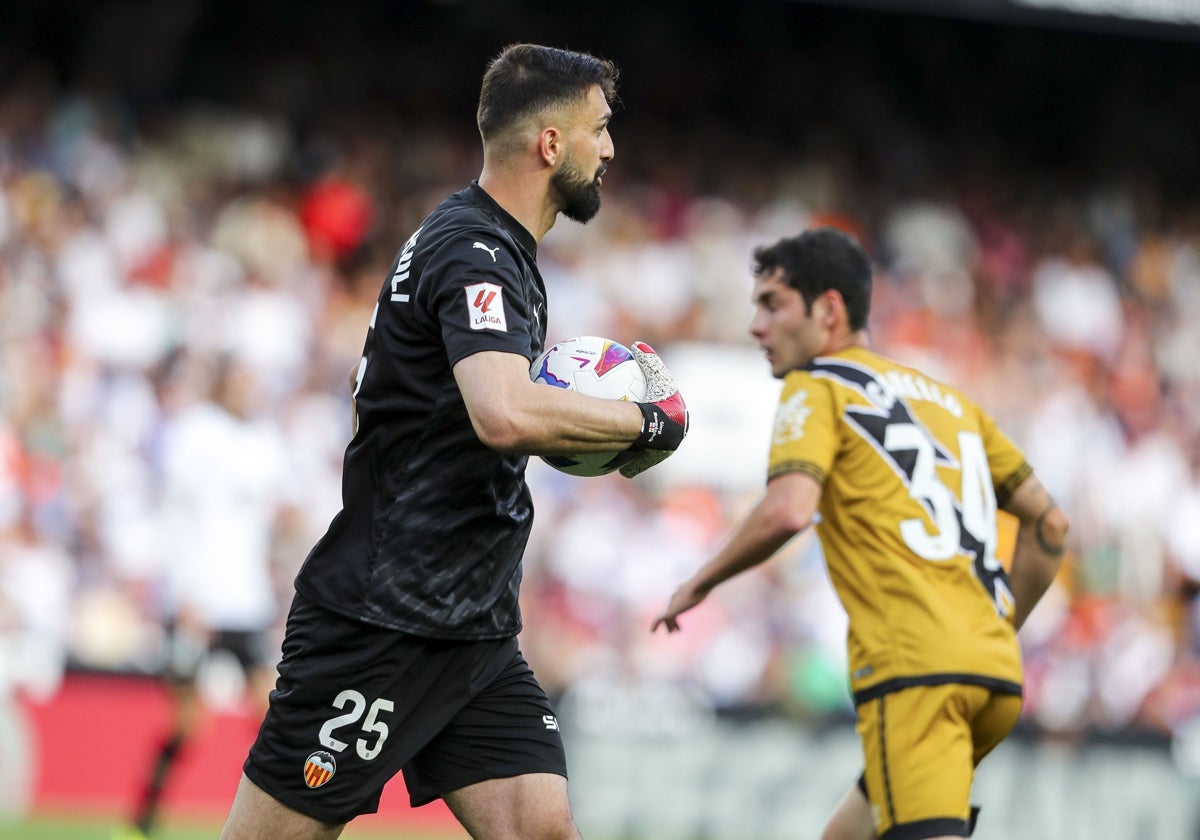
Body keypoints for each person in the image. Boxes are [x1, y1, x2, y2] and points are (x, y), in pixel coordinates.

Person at [220, 43, 688, 840]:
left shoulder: (493, 249)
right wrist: (649, 420)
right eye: (600, 129)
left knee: (542, 831)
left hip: (473, 631)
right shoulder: (473, 250)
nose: (610, 150)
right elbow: (502, 413)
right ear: (550, 144)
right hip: (385, 622)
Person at [652, 227, 1067, 840]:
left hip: (916, 673)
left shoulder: (817, 385)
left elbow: (790, 509)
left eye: (771, 304)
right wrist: (995, 629)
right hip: (994, 674)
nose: (756, 327)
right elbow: (1050, 522)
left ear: (828, 310)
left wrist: (699, 581)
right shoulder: (951, 404)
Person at [119, 355, 289, 840]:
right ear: (222, 383)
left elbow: (266, 520)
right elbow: (178, 517)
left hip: (247, 602)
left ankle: (266, 821)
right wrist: (186, 592)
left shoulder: (263, 443)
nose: (249, 391)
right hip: (199, 600)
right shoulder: (196, 433)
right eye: (241, 380)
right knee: (189, 722)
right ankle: (143, 819)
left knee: (273, 715)